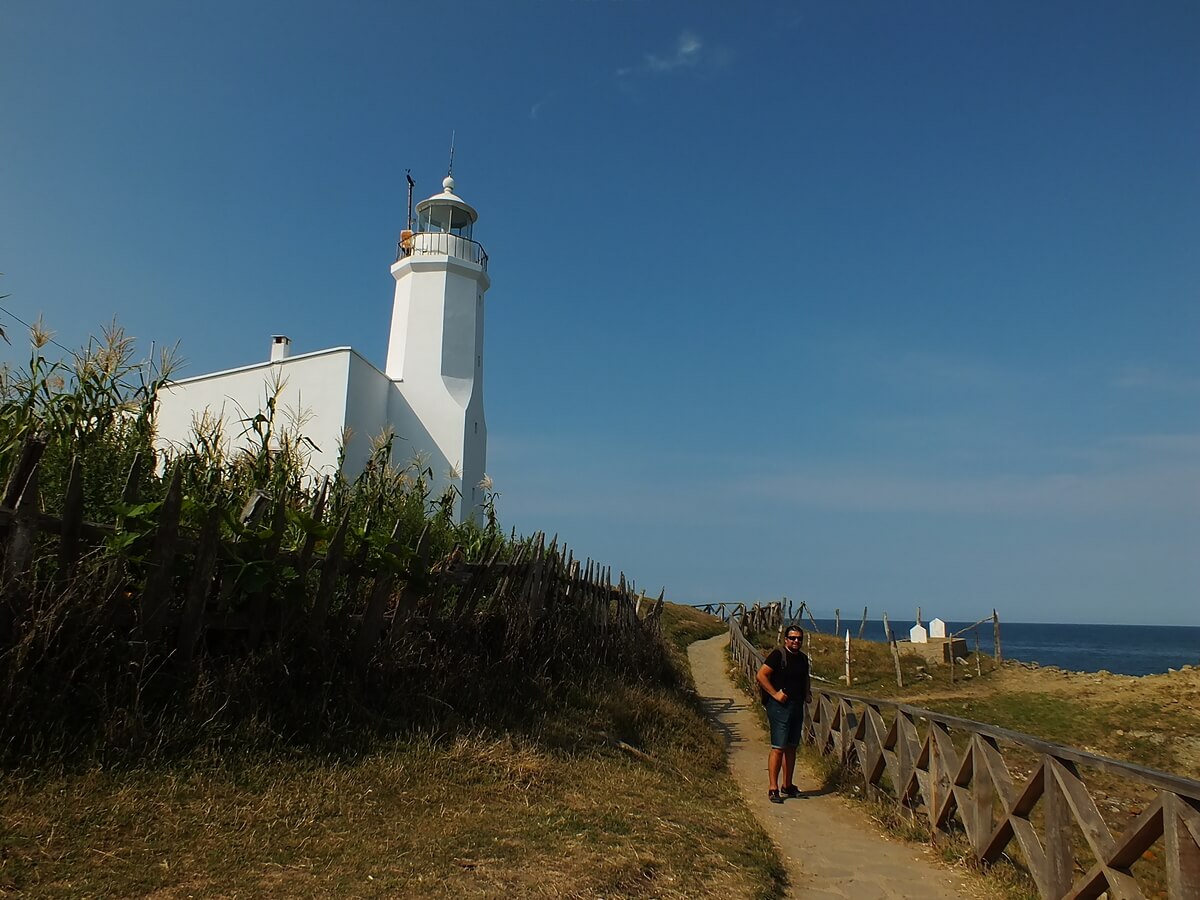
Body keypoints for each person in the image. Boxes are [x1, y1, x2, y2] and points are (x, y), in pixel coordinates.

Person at [755, 624, 812, 803]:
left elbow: (805, 677)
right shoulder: (778, 655)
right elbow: (761, 675)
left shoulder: (803, 659)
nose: (796, 641)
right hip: (780, 707)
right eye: (793, 638)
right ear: (786, 639)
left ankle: (787, 785)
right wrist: (775, 694)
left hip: (796, 705)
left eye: (799, 638)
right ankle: (773, 788)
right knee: (778, 747)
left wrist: (808, 693)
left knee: (791, 747)